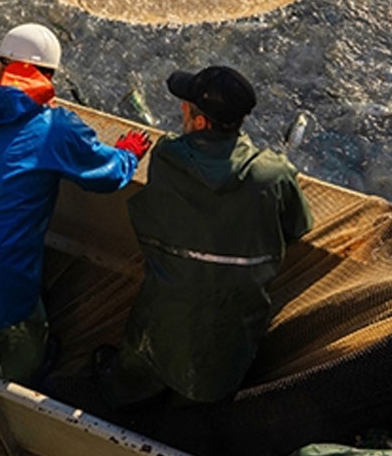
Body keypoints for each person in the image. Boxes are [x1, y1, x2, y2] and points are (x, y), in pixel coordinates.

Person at [0, 22, 149, 384]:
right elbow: (106, 174)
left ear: (2, 66)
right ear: (49, 75)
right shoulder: (55, 127)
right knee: (13, 347)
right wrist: (128, 154)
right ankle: (20, 369)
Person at [97, 65, 314, 406]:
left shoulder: (167, 156)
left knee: (140, 360)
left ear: (200, 122)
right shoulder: (273, 175)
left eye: (186, 106)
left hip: (161, 318)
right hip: (232, 336)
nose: (181, 108)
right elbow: (298, 226)